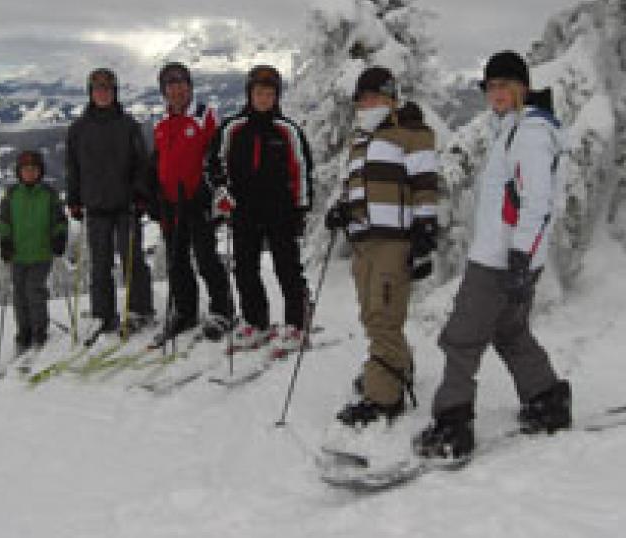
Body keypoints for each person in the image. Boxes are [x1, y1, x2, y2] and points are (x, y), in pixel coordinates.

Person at [414, 50, 570, 462]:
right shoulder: (518, 128)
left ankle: (452, 423)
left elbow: (537, 203)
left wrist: (518, 258)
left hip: (501, 261)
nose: (497, 94)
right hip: (511, 258)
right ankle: (546, 399)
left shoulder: (531, 134)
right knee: (510, 331)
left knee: (462, 338)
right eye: (491, 87)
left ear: (523, 87)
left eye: (505, 85)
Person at [325, 66, 439, 427]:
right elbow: (353, 185)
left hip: (394, 239)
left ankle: (384, 398)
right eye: (363, 97)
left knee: (383, 315)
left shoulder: (411, 132)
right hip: (363, 241)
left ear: (392, 97)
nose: (368, 103)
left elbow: (424, 183)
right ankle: (393, 365)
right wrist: (341, 209)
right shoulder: (359, 138)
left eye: (376, 96)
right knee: (370, 314)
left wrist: (425, 228)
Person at [209, 64, 314, 352]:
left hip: (281, 212)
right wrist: (222, 191)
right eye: (259, 93)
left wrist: (301, 209)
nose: (264, 98)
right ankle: (256, 321)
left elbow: (302, 172)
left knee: (287, 268)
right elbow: (214, 165)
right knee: (244, 269)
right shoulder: (233, 128)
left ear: (276, 97)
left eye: (270, 93)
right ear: (250, 94)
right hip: (243, 211)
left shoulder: (287, 130)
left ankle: (296, 324)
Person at [148, 61, 236, 343]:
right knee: (177, 261)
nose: (176, 89)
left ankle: (222, 310)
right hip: (171, 202)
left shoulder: (204, 116)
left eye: (181, 83)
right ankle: (185, 312)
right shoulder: (161, 123)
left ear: (189, 87)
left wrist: (212, 192)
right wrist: (155, 193)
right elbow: (159, 162)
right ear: (164, 91)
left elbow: (219, 158)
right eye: (170, 84)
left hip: (198, 200)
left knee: (206, 257)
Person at [65, 67, 155, 337]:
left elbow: (141, 164)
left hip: (126, 205)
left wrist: (141, 195)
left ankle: (140, 309)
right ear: (91, 93)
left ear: (114, 93)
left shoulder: (128, 125)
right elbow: (73, 167)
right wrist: (74, 200)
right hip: (95, 205)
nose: (102, 93)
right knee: (100, 263)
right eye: (98, 89)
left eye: (107, 89)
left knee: (132, 260)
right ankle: (103, 314)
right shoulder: (79, 128)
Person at [0, 149, 68, 354]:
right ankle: (24, 333)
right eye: (25, 170)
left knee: (34, 291)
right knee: (19, 295)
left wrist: (59, 237)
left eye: (33, 169)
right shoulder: (12, 195)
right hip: (18, 255)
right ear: (19, 172)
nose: (29, 173)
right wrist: (5, 241)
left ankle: (39, 332)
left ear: (40, 172)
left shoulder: (49, 195)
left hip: (41, 253)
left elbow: (59, 221)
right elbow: (4, 221)